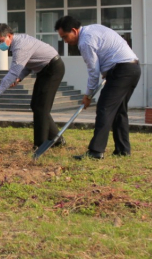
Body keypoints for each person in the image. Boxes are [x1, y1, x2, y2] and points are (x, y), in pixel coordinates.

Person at [55, 16, 141, 160]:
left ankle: (96, 151)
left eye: (65, 36)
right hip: (132, 68)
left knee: (104, 109)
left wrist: (88, 95)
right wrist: (108, 71)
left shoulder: (85, 42)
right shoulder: (93, 29)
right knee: (119, 111)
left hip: (122, 70)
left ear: (74, 31)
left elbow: (93, 72)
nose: (65, 41)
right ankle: (123, 150)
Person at [0, 24, 66, 149]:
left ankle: (40, 146)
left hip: (53, 68)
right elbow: (27, 65)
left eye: (0, 41)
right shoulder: (17, 43)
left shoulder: (20, 46)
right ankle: (57, 139)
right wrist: (19, 78)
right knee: (36, 106)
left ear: (9, 36)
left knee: (41, 108)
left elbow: (13, 71)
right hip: (44, 70)